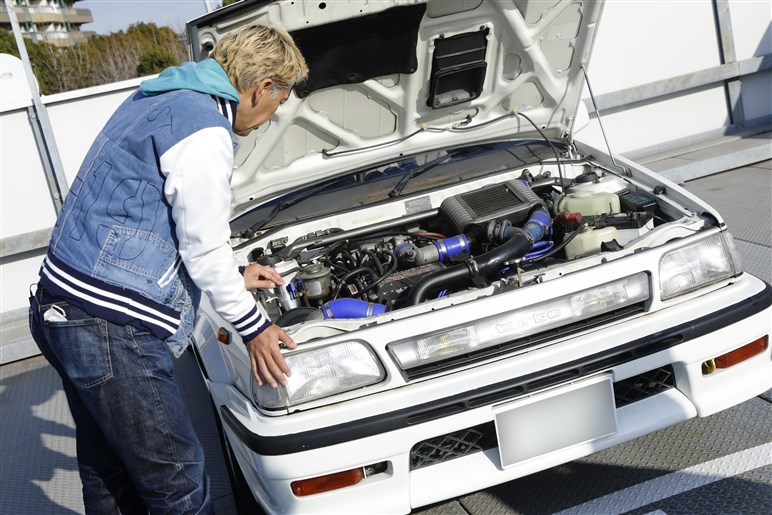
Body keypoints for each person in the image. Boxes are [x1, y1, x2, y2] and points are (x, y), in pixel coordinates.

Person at [28, 24, 308, 513]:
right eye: (276, 105)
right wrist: (254, 325)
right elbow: (203, 246)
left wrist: (235, 273)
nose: (268, 120)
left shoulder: (163, 95)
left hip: (63, 307)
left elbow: (145, 213)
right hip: (107, 325)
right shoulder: (203, 126)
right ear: (261, 88)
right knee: (177, 481)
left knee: (110, 472)